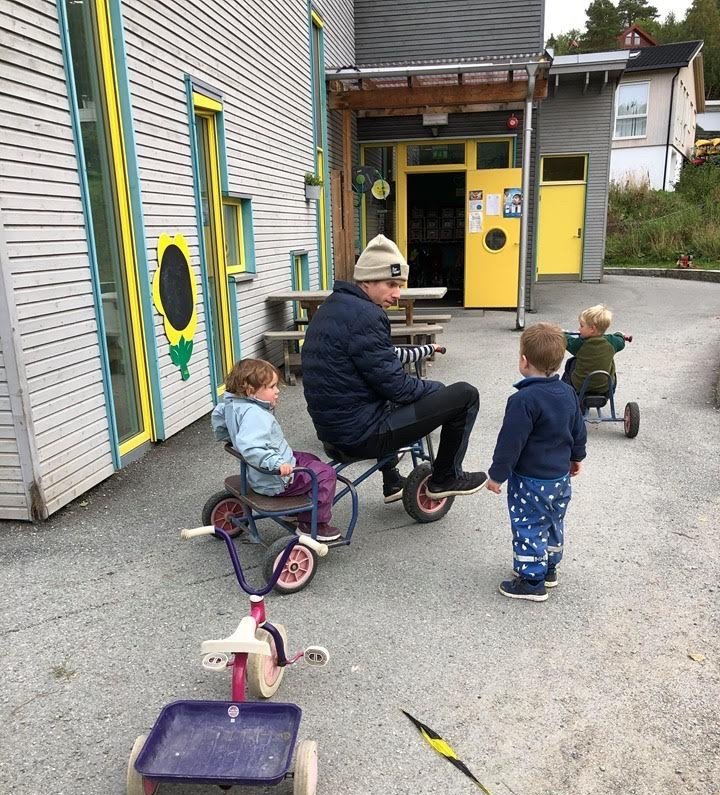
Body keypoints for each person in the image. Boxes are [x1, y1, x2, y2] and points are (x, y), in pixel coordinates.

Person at [301, 234, 486, 502]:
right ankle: (446, 477)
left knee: (385, 397)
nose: (397, 294)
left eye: (399, 285)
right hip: (359, 435)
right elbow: (397, 387)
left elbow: (377, 375)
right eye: (391, 284)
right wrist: (436, 391)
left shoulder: (333, 305)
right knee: (465, 395)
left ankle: (392, 482)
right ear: (366, 281)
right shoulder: (367, 316)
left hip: (333, 431)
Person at [486, 323, 587, 602]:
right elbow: (577, 428)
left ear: (524, 360)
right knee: (553, 520)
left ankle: (531, 581)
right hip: (559, 479)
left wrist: (497, 475)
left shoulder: (523, 400)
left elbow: (510, 443)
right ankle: (550, 568)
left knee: (528, 523)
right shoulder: (567, 392)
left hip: (530, 480)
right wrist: (577, 456)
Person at [211, 358, 341, 541]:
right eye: (271, 387)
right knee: (326, 474)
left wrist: (231, 438)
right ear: (251, 391)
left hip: (259, 472)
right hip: (274, 480)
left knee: (310, 458)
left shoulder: (232, 405)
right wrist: (277, 463)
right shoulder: (255, 415)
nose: (277, 391)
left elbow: (218, 419)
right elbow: (254, 447)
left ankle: (297, 508)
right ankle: (313, 525)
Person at [562, 304, 627, 397]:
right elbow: (621, 341)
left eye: (581, 326)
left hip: (579, 387)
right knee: (611, 367)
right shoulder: (612, 342)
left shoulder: (579, 344)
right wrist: (620, 334)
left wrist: (562, 333)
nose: (579, 329)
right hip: (605, 389)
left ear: (592, 329)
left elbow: (567, 340)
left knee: (571, 362)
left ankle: (565, 394)